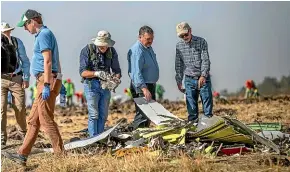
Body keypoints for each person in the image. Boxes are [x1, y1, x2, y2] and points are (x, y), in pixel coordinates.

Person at [3, 9, 66, 166]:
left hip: (45, 80)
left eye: (25, 25)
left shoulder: (44, 35)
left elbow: (48, 61)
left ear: (32, 21)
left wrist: (46, 84)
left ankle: (61, 156)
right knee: (33, 120)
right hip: (48, 79)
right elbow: (55, 60)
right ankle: (22, 155)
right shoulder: (44, 34)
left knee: (45, 119)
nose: (25, 28)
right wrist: (59, 79)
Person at [79, 30, 121, 137]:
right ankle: (93, 139)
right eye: (101, 45)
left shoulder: (112, 51)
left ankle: (100, 138)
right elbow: (83, 72)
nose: (103, 48)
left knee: (103, 115)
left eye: (105, 45)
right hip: (91, 85)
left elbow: (117, 71)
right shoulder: (87, 50)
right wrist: (96, 73)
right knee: (94, 115)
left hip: (105, 86)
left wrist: (115, 80)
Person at [175, 22, 213, 122]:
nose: (184, 37)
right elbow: (179, 65)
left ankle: (208, 125)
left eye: (186, 34)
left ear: (190, 31)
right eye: (181, 36)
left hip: (203, 78)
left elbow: (205, 60)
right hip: (189, 80)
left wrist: (203, 75)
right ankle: (194, 127)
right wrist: (179, 81)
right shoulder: (179, 46)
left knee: (207, 106)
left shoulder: (201, 42)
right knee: (191, 108)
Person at [1, 22, 30, 146]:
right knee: (1, 109)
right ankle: (2, 138)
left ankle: (23, 135)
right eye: (3, 31)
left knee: (20, 108)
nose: (5, 33)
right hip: (1, 79)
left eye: (7, 31)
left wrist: (26, 78)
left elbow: (25, 60)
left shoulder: (17, 42)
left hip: (16, 78)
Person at [128, 25, 159, 130]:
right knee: (142, 114)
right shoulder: (137, 50)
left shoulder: (148, 48)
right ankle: (138, 135)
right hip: (142, 86)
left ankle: (144, 134)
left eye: (152, 39)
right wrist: (144, 89)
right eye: (148, 39)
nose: (150, 41)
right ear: (140, 37)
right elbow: (136, 72)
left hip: (149, 84)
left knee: (149, 113)